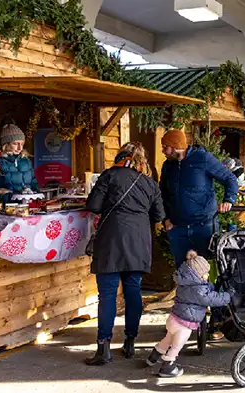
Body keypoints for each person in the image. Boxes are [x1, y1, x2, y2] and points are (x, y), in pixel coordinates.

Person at [85, 142, 165, 366]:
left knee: (108, 295)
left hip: (110, 242)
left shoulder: (110, 175)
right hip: (138, 243)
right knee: (133, 292)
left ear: (120, 156)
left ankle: (103, 349)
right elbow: (159, 215)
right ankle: (130, 343)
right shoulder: (150, 183)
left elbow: (93, 205)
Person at [146, 250, 235, 377]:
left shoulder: (185, 283)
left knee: (168, 338)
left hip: (174, 319)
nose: (208, 274)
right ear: (198, 274)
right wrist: (228, 295)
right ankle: (167, 367)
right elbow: (212, 299)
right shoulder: (199, 290)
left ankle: (153, 357)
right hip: (184, 325)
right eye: (206, 273)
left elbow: (204, 288)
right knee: (176, 346)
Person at [160, 129, 239, 267]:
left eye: (165, 147)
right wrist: (165, 219)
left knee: (206, 269)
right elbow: (162, 194)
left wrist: (229, 200)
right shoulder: (168, 166)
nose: (163, 150)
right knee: (182, 271)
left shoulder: (203, 159)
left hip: (204, 227)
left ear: (175, 146)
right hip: (177, 228)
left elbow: (229, 178)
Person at [0, 124, 39, 195]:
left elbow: (33, 182)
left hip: (25, 203)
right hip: (6, 204)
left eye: (22, 144)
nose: (20, 148)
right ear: (5, 144)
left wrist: (36, 193)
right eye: (15, 144)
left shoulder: (26, 161)